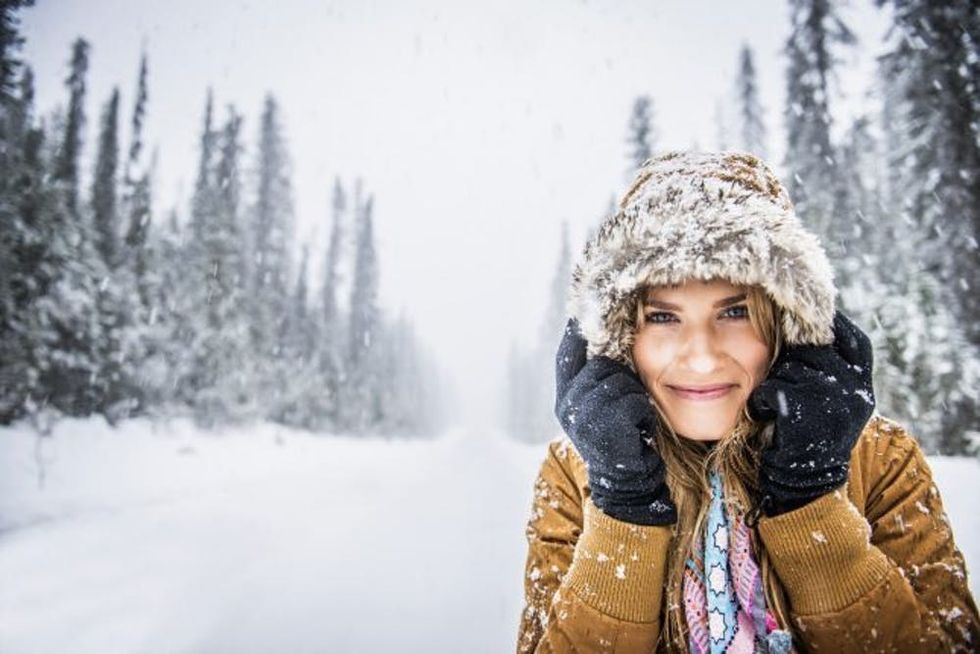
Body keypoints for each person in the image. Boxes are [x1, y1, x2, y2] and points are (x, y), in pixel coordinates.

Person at [515, 151, 980, 653]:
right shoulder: (575, 473)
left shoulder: (881, 460)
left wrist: (811, 495)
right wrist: (625, 504)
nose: (700, 357)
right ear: (623, 336)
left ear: (787, 322)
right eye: (664, 318)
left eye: (735, 311)